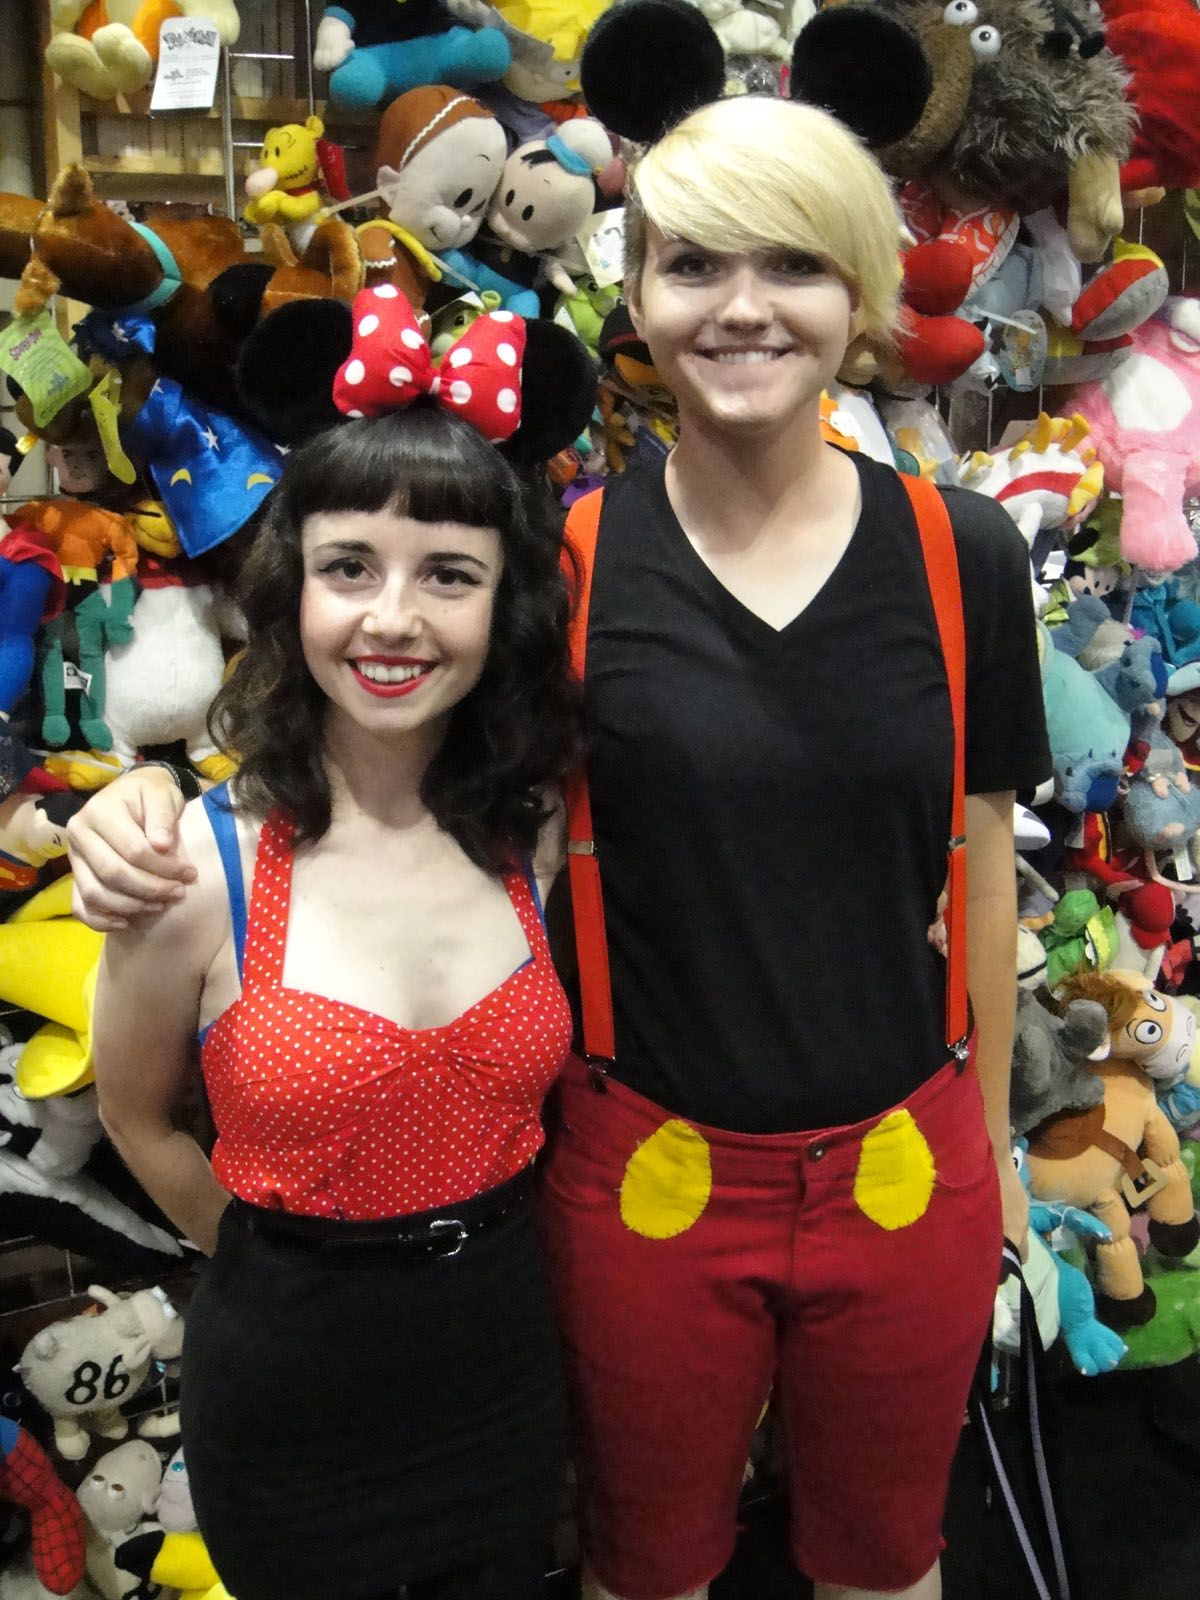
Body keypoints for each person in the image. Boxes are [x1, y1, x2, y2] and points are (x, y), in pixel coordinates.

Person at [71, 96, 1051, 1600]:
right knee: (641, 1563)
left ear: (857, 291)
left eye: (793, 265)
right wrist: (135, 807)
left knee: (884, 1558)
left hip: (907, 1157)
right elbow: (374, 743)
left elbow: (980, 857)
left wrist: (991, 1155)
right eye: (695, 263)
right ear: (639, 292)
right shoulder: (567, 554)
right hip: (641, 1161)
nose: (741, 307)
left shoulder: (960, 549)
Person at [87, 377, 582, 1600]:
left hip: (503, 1369)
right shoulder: (199, 863)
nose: (394, 619)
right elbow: (134, 1117)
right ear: (291, 588)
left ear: (501, 604)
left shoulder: (533, 829)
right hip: (290, 1403)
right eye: (350, 566)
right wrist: (275, 1262)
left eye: (448, 576)